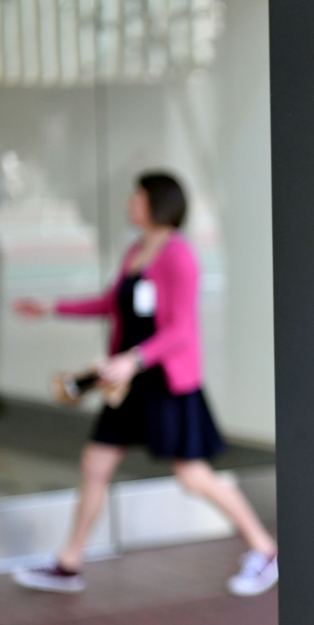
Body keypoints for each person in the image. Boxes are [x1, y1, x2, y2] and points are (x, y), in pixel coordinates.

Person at [10, 173, 278, 597]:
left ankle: (265, 549)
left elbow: (181, 330)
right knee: (95, 464)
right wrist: (52, 307)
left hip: (163, 383)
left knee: (192, 475)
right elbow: (110, 303)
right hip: (128, 383)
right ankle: (69, 563)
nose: (131, 202)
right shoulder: (137, 250)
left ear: (157, 203)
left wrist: (134, 360)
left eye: (137, 196)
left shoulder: (178, 255)